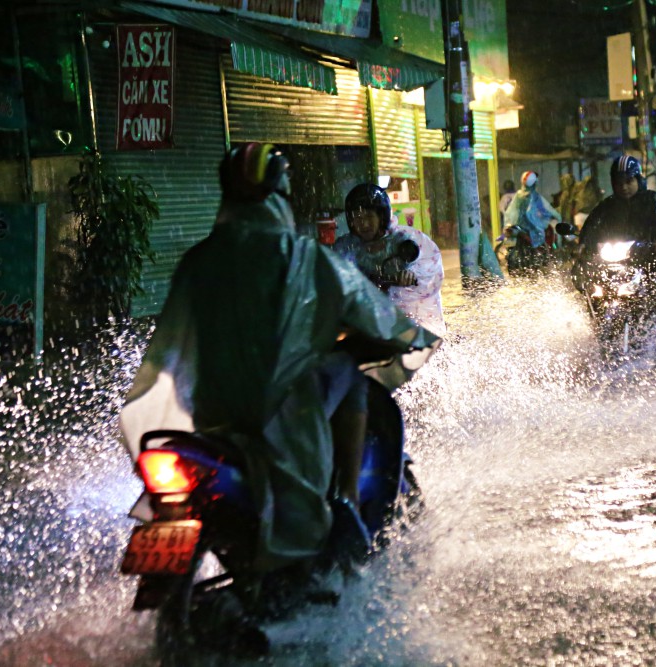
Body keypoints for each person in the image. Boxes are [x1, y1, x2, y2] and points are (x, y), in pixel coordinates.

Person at [119, 143, 440, 572]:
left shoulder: (199, 260)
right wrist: (408, 336)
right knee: (345, 368)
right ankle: (343, 499)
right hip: (279, 415)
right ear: (279, 197)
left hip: (206, 413)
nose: (362, 221)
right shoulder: (304, 256)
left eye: (369, 213)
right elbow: (372, 313)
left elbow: (173, 342)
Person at [574, 155, 656, 315]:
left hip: (647, 255)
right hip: (616, 258)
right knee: (587, 274)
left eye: (628, 181)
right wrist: (582, 244)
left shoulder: (653, 201)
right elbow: (592, 226)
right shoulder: (607, 206)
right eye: (619, 183)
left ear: (638, 180)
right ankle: (595, 313)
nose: (624, 187)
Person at [333, 183, 446, 337]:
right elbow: (333, 267)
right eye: (358, 218)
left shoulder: (405, 239)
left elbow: (429, 268)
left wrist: (411, 275)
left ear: (381, 216)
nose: (364, 224)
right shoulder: (347, 245)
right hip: (368, 317)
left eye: (369, 217)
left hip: (410, 319)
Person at [504, 170, 562, 249]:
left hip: (517, 224)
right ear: (534, 183)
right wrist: (555, 215)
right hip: (530, 226)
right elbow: (545, 210)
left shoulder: (518, 194)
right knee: (541, 237)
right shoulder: (535, 196)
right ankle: (542, 253)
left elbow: (510, 210)